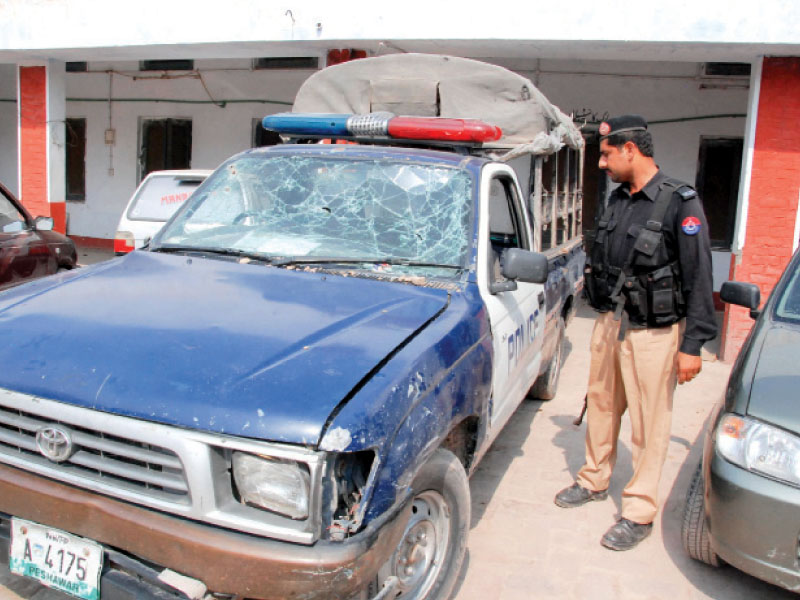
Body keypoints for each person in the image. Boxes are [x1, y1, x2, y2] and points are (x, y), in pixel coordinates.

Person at [554, 115, 717, 551]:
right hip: (610, 321)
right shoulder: (619, 199)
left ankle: (639, 511)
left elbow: (699, 275)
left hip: (655, 332)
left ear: (631, 150)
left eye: (606, 155)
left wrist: (693, 344)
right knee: (602, 405)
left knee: (649, 423)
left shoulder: (680, 203)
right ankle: (593, 479)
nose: (602, 164)